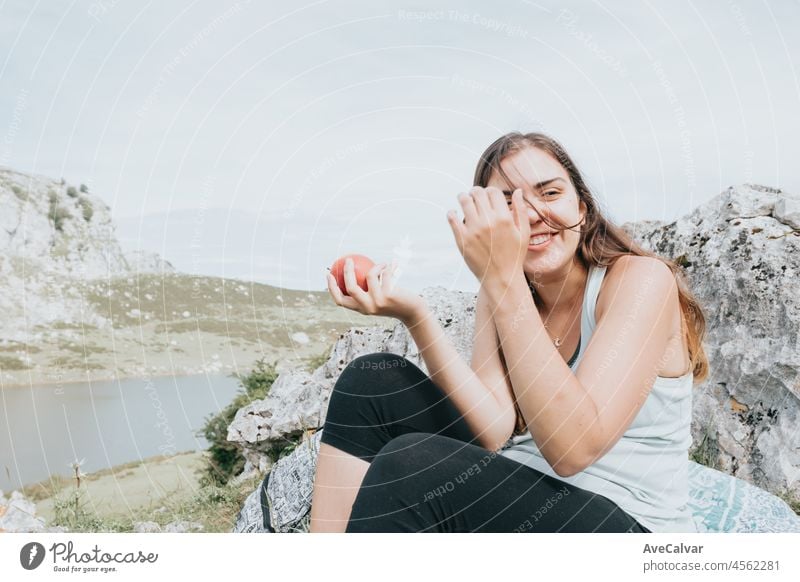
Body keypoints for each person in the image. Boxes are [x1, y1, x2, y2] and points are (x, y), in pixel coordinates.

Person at [311, 131, 709, 533]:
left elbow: (573, 449)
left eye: (550, 193)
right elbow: (492, 429)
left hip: (629, 528)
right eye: (507, 205)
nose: (533, 213)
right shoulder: (502, 289)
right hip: (528, 503)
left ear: (583, 209)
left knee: (413, 462)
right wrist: (416, 316)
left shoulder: (639, 281)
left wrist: (503, 281)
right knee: (371, 381)